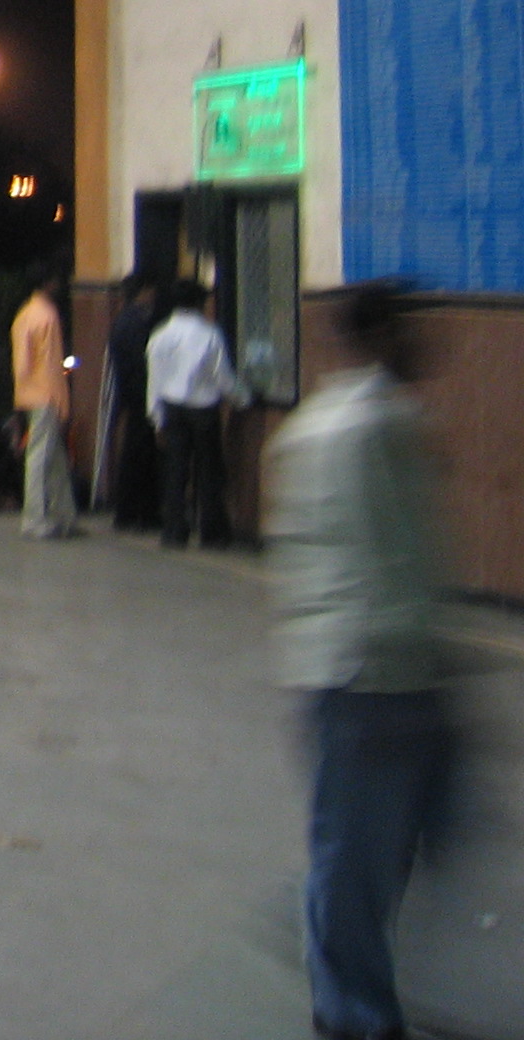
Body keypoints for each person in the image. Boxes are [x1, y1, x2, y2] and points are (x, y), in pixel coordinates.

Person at [266, 282, 458, 1040]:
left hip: (339, 669)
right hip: (377, 674)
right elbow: (398, 564)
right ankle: (353, 1013)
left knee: (354, 853)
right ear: (381, 334)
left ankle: (345, 988)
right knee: (363, 858)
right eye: (410, 326)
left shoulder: (311, 425)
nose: (424, 341)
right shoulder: (381, 423)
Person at [148, 276, 240, 550]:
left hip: (172, 409)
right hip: (204, 410)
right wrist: (241, 397)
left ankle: (174, 530)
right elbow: (222, 376)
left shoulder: (160, 336)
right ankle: (211, 531)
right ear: (201, 303)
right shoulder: (209, 334)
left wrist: (156, 418)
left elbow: (155, 381)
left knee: (175, 472)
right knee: (209, 471)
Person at [11, 266, 77, 540]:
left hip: (28, 393)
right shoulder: (49, 316)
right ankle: (35, 519)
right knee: (41, 458)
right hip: (46, 394)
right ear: (48, 283)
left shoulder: (24, 315)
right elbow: (52, 365)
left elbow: (22, 364)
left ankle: (64, 515)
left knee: (53, 457)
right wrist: (63, 402)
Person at [105, 272, 164, 531]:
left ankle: (127, 511)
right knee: (143, 455)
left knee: (132, 452)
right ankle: (142, 512)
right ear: (143, 292)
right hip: (143, 393)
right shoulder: (141, 322)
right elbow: (144, 362)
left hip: (129, 393)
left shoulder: (121, 321)